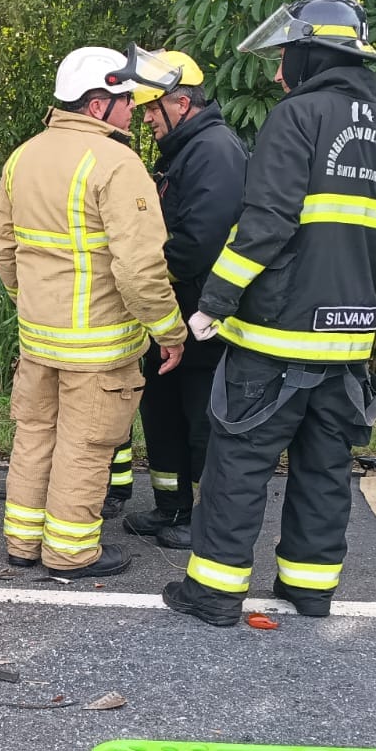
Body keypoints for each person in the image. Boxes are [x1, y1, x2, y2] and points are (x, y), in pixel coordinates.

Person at [162, 0, 376, 625]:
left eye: (285, 57)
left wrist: (214, 303)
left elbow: (264, 224)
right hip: (350, 341)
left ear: (311, 54)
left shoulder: (297, 117)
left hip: (276, 338)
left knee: (239, 463)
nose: (279, 72)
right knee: (325, 468)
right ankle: (310, 589)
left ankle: (214, 594)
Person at [0, 46, 186, 579]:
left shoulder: (23, 156)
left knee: (34, 435)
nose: (132, 111)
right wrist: (168, 329)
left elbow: (0, 243)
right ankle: (70, 553)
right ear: (98, 105)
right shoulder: (117, 163)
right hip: (98, 346)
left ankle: (22, 543)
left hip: (38, 339)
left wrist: (24, 300)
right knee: (85, 446)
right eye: (125, 100)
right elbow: (141, 266)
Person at [119, 50, 249, 550]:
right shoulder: (185, 150)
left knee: (201, 420)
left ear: (182, 102)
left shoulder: (215, 150)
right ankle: (171, 508)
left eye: (152, 107)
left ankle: (205, 518)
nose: (146, 117)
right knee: (162, 412)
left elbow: (198, 242)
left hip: (203, 318)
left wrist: (142, 272)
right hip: (171, 314)